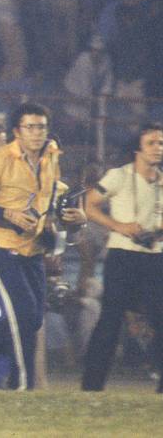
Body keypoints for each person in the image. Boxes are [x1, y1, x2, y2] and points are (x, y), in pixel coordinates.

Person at [0, 103, 86, 390]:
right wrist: (6, 212)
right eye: (30, 127)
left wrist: (76, 217)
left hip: (34, 246)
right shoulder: (1, 159)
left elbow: (52, 192)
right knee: (24, 314)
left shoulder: (51, 156)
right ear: (17, 131)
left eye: (41, 126)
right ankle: (23, 388)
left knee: (34, 320)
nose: (37, 133)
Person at [81, 122, 163, 393]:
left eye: (161, 143)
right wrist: (120, 226)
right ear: (137, 149)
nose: (158, 148)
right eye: (152, 143)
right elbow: (89, 204)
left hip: (155, 258)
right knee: (110, 320)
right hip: (122, 257)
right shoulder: (119, 175)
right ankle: (91, 387)